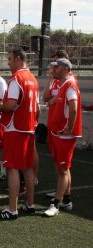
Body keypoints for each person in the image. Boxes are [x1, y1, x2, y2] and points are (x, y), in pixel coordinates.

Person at [0, 48, 39, 220]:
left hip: (15, 128)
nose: (8, 62)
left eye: (10, 59)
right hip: (29, 127)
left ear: (19, 59)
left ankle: (12, 209)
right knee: (27, 167)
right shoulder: (33, 79)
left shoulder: (17, 79)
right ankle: (30, 203)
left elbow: (11, 104)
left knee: (12, 168)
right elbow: (37, 109)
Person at [43, 58, 82, 217]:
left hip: (65, 133)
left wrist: (69, 128)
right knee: (62, 168)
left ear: (65, 68)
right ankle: (66, 200)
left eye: (57, 67)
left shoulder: (69, 84)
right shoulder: (64, 83)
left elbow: (73, 108)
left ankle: (56, 204)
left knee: (63, 169)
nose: (54, 70)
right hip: (58, 131)